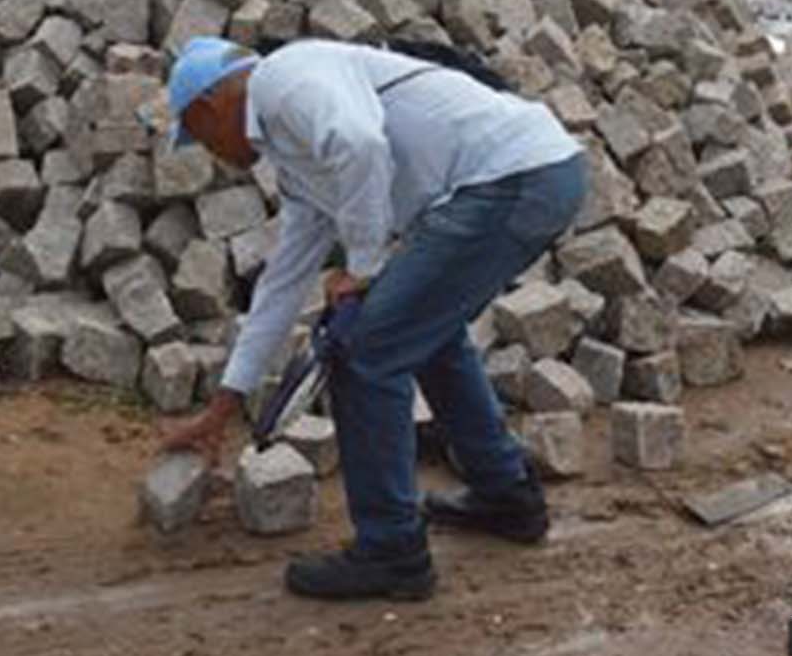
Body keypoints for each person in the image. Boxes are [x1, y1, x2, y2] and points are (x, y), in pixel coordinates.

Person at [158, 37, 590, 601]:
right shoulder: (296, 161)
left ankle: (391, 551)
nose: (210, 152)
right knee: (425, 337)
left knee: (365, 352)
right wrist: (226, 403)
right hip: (527, 173)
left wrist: (363, 267)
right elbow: (282, 284)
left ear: (209, 105)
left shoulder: (285, 79)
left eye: (199, 136)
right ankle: (507, 496)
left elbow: (361, 144)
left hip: (510, 178)